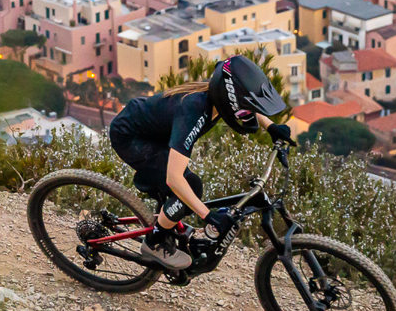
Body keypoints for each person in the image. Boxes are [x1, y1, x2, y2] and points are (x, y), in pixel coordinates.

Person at [107, 55, 292, 270]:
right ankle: (154, 242)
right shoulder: (194, 112)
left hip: (155, 131)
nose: (245, 115)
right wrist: (207, 216)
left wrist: (270, 126)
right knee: (189, 186)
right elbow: (174, 178)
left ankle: (167, 221)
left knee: (185, 190)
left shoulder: (217, 96)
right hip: (131, 136)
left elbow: (243, 102)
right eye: (243, 111)